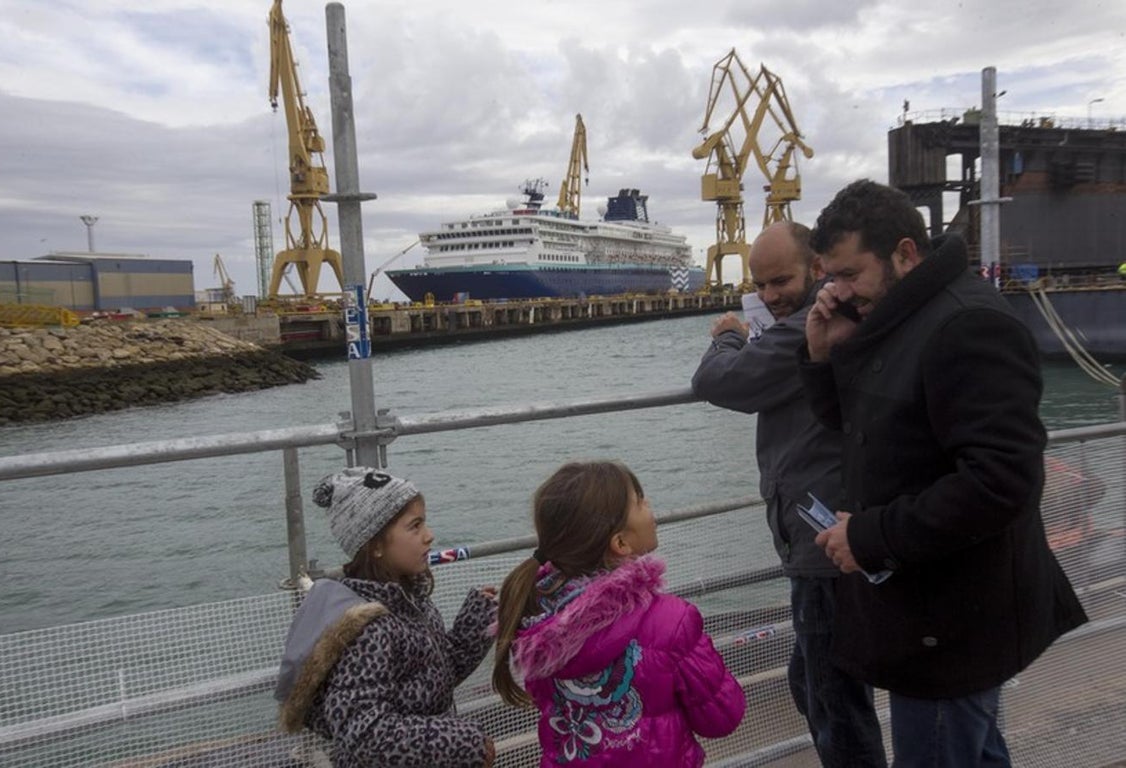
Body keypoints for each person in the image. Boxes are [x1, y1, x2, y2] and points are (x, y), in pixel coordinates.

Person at [800, 179, 1089, 767]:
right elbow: (860, 427)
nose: (838, 290)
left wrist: (869, 538)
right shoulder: (904, 314)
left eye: (850, 274)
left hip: (951, 620)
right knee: (977, 755)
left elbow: (1002, 480)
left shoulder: (966, 323)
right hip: (933, 608)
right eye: (830, 277)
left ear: (905, 253)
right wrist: (826, 353)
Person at [691, 221, 887, 767]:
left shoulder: (805, 327)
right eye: (762, 285)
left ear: (817, 268)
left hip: (821, 542)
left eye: (782, 280)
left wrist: (728, 336)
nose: (771, 296)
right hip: (824, 531)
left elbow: (715, 382)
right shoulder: (819, 322)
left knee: (833, 703)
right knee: (816, 680)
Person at [492, 460, 745, 766]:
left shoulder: (534, 622)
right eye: (640, 501)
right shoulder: (671, 621)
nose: (649, 504)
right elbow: (720, 717)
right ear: (621, 543)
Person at [275, 466, 498, 768]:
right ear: (375, 545)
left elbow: (434, 678)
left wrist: (476, 623)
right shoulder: (368, 629)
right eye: (415, 526)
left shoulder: (411, 602)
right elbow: (363, 732)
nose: (429, 536)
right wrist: (462, 743)